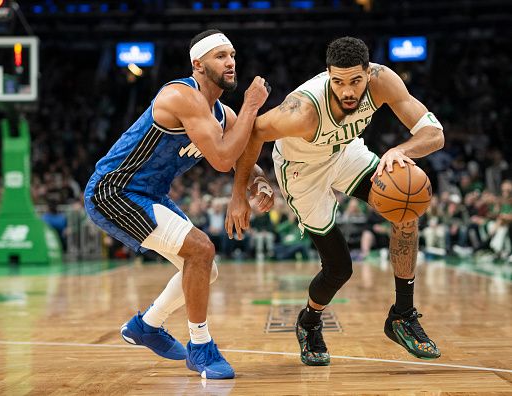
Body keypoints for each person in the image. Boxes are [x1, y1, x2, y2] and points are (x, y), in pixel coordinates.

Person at [226, 37, 444, 366]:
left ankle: (402, 315)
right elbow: (254, 132)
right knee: (340, 268)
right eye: (339, 82)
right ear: (328, 75)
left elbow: (434, 132)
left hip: (344, 151)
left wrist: (401, 150)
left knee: (406, 209)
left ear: (368, 73)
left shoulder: (383, 82)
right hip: (302, 171)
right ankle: (309, 322)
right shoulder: (303, 111)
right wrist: (240, 191)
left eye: (356, 81)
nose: (347, 91)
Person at [84, 29, 273, 379]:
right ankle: (200, 347)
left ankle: (147, 325)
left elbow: (244, 157)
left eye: (232, 54)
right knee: (201, 251)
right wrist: (250, 106)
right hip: (114, 191)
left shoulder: (221, 113)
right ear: (198, 64)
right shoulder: (180, 95)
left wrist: (257, 181)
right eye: (221, 56)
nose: (231, 62)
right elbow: (221, 158)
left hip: (149, 194)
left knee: (206, 268)